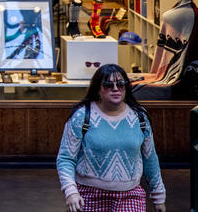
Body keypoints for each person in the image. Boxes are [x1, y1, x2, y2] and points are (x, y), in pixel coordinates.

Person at [56, 64, 166, 212]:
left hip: (130, 195)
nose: (115, 88)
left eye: (121, 84)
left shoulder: (139, 117)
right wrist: (71, 192)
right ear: (98, 89)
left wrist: (158, 196)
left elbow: (150, 158)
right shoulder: (82, 116)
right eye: (108, 84)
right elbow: (66, 158)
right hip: (88, 195)